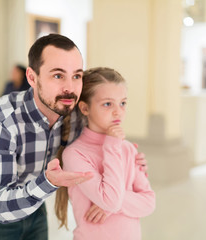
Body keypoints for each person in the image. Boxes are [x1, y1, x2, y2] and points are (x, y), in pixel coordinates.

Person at [0, 34, 148, 240]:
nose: (70, 87)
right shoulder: (2, 121)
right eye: (58, 75)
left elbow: (98, 144)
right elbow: (1, 208)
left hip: (35, 202)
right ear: (32, 77)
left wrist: (129, 161)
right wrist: (48, 181)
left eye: (76, 76)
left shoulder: (74, 112)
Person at [56, 67, 155, 240]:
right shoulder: (74, 155)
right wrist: (112, 145)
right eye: (107, 104)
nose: (118, 111)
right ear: (85, 108)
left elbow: (148, 203)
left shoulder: (127, 148)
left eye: (123, 103)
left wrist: (110, 206)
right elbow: (111, 199)